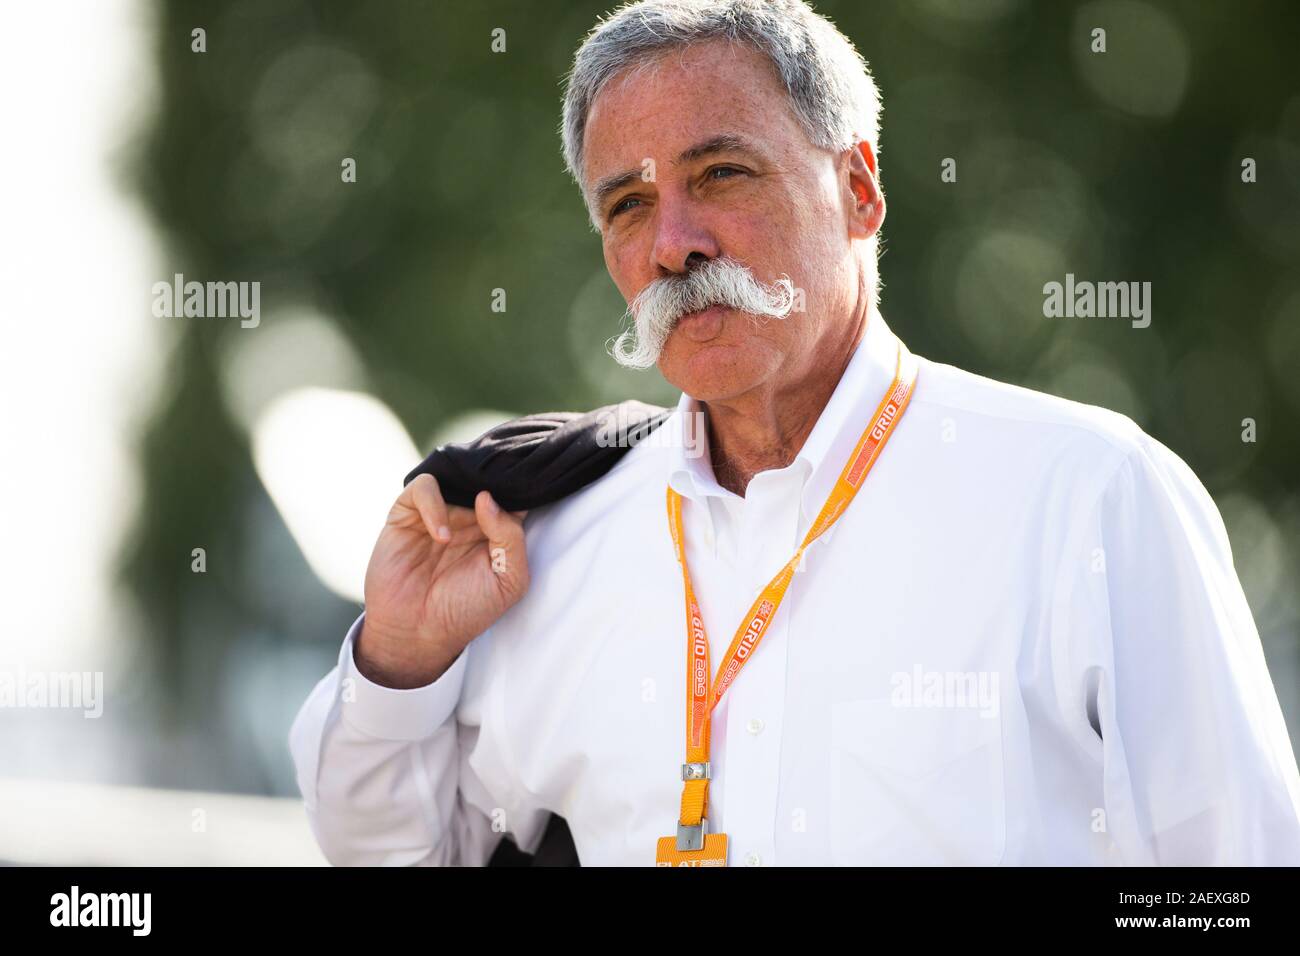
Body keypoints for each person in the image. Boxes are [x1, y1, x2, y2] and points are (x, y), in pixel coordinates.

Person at [288, 0, 1300, 866]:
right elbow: (391, 850)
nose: (673, 243)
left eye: (721, 173)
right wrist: (402, 658)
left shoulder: (1089, 497)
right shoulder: (544, 543)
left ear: (858, 188)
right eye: (628, 204)